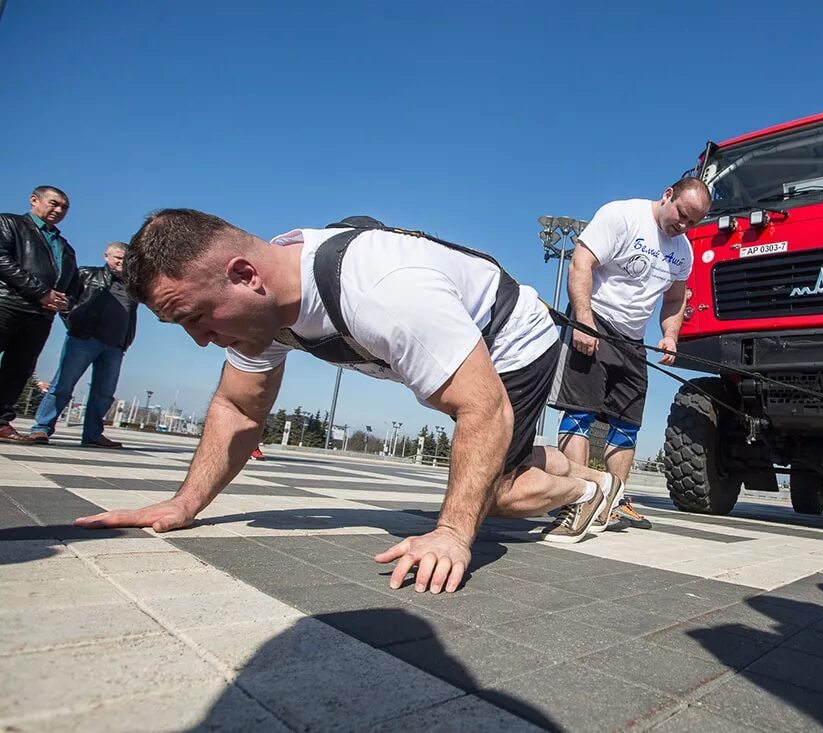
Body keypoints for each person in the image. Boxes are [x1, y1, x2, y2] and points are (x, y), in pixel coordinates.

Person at [74, 209, 622, 594]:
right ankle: (591, 478)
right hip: (451, 347)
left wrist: (453, 533)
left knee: (491, 490)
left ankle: (582, 489)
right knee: (498, 454)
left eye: (195, 317)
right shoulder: (260, 311)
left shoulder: (381, 290)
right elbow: (239, 409)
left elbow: (483, 410)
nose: (198, 339)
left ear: (246, 276)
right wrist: (183, 505)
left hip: (511, 339)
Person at [548, 178, 711, 530]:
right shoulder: (622, 216)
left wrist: (669, 335)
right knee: (580, 415)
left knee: (627, 424)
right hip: (596, 321)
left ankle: (612, 502)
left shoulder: (683, 250)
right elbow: (580, 263)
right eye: (682, 214)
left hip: (633, 341)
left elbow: (674, 298)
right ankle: (577, 499)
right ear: (668, 195)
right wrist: (584, 321)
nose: (683, 225)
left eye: (692, 222)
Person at [27, 242, 139, 448]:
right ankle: (41, 428)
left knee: (104, 392)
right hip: (84, 339)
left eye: (126, 259)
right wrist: (74, 322)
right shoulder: (87, 274)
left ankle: (93, 434)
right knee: (63, 385)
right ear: (106, 256)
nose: (122, 263)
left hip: (115, 345)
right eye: (118, 258)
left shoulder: (133, 287)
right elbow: (66, 302)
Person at [0, 186, 79, 444]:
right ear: (34, 200)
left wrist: (64, 300)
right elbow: (2, 260)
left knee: (19, 368)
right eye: (53, 203)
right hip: (8, 304)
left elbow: (72, 284)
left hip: (40, 316)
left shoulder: (65, 247)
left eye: (64, 207)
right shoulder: (11, 224)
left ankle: (1, 421)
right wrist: (41, 291)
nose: (58, 210)